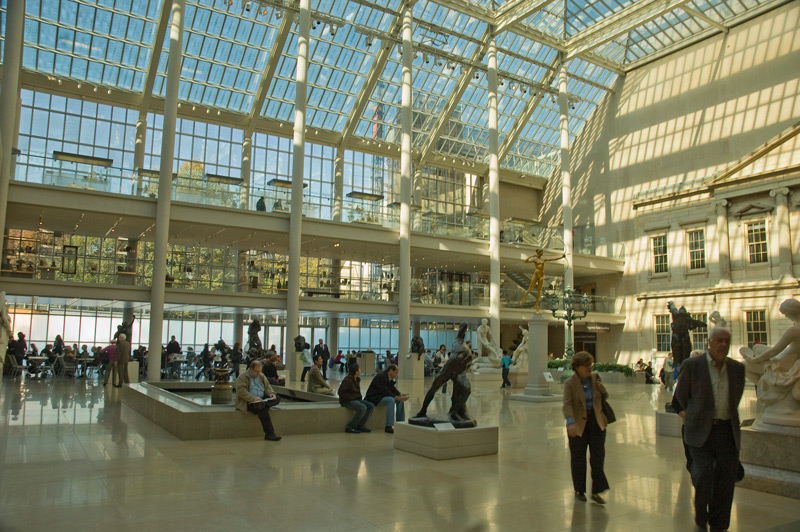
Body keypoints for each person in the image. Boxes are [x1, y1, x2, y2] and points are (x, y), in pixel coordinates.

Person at [672, 328, 744, 532]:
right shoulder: (692, 366)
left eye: (726, 341)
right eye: (718, 340)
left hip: (726, 431)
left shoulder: (737, 368)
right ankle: (701, 519)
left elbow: (734, 399)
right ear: (709, 343)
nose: (723, 344)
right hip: (700, 432)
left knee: (726, 480)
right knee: (703, 476)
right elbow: (680, 397)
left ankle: (719, 525)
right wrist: (696, 415)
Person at [563, 351, 610, 504]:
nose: (589, 368)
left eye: (590, 364)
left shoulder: (595, 378)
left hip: (596, 422)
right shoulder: (570, 383)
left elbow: (605, 396)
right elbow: (567, 404)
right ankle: (579, 490)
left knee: (598, 457)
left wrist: (602, 388)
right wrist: (570, 422)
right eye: (586, 365)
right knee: (578, 458)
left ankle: (596, 491)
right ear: (577, 367)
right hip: (578, 424)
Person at [235, 360, 282, 441]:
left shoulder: (261, 376)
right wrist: (253, 398)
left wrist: (271, 394)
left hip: (261, 399)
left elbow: (267, 387)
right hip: (250, 401)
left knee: (277, 398)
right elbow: (241, 391)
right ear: (251, 369)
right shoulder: (243, 377)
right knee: (262, 409)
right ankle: (270, 433)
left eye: (260, 371)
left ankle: (263, 404)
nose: (258, 373)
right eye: (256, 371)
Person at [365, 364, 408, 434]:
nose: (396, 375)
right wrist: (396, 397)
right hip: (374, 398)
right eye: (396, 373)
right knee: (391, 400)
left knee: (400, 401)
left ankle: (400, 422)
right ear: (391, 371)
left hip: (380, 397)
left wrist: (400, 395)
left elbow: (392, 388)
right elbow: (384, 391)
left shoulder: (387, 377)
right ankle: (388, 426)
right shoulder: (381, 377)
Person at [338, 364, 374, 434]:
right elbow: (341, 392)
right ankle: (350, 426)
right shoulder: (348, 380)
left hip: (355, 399)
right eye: (359, 369)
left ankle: (361, 424)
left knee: (370, 406)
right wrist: (351, 398)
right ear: (356, 371)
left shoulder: (356, 379)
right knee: (362, 408)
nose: (360, 370)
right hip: (347, 400)